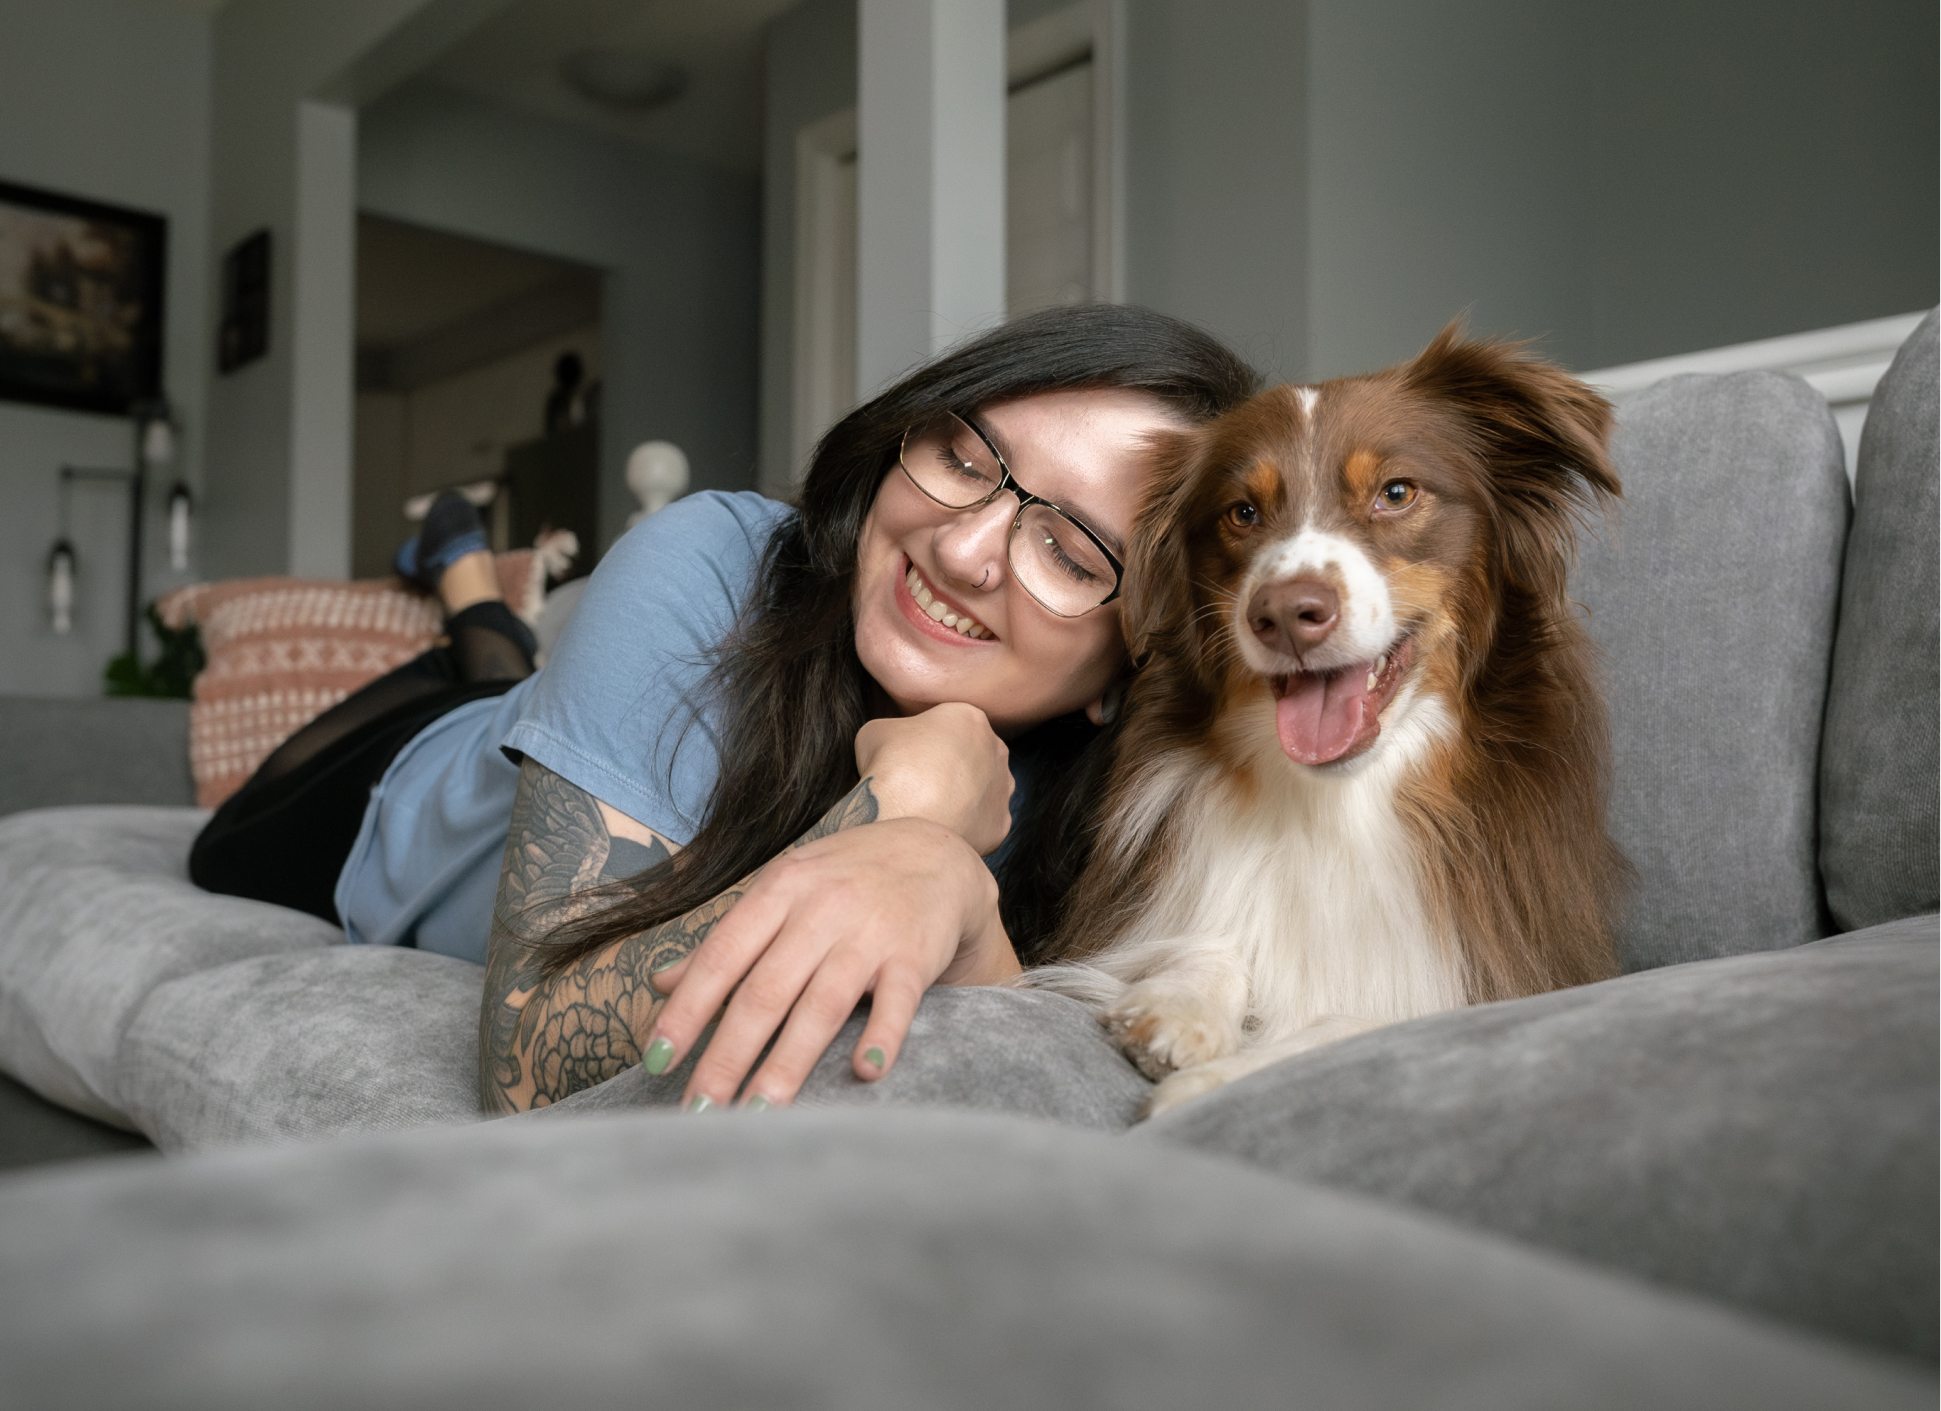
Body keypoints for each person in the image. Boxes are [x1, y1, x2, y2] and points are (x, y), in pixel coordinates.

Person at [190, 304, 1259, 1117]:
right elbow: (525, 1062)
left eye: (1072, 552)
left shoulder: (1111, 805)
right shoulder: (704, 557)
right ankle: (470, 590)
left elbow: (1050, 1078)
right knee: (245, 825)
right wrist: (899, 813)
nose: (965, 547)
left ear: (1137, 660)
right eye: (963, 460)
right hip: (401, 782)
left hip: (553, 709)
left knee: (509, 662)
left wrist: (965, 910)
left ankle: (485, 612)